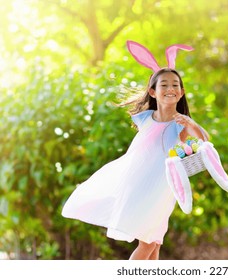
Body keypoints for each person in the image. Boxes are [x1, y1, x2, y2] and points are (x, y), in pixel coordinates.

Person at [62, 41, 208, 260]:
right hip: (143, 186)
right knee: (148, 243)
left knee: (154, 244)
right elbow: (140, 155)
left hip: (164, 189)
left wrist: (191, 125)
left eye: (175, 85)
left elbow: (205, 144)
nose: (170, 89)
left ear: (181, 92)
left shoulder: (182, 123)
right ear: (152, 91)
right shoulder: (146, 119)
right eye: (164, 85)